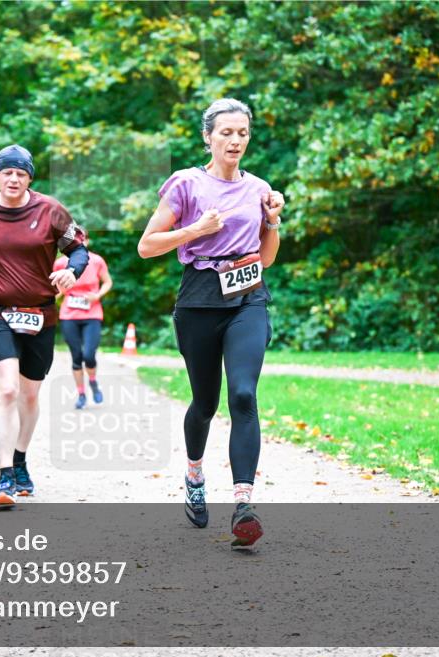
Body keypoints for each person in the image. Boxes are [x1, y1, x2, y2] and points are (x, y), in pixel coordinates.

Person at [137, 98, 285, 547]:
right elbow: (147, 245)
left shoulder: (259, 188)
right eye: (226, 133)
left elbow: (267, 258)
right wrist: (195, 231)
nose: (235, 140)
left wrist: (273, 222)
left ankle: (244, 504)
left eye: (242, 133)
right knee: (205, 403)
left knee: (242, 393)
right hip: (199, 301)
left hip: (247, 299)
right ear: (208, 137)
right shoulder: (186, 184)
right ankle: (195, 474)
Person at [0, 144, 88, 508]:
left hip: (41, 313)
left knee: (29, 394)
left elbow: (79, 248)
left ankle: (21, 457)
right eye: (7, 172)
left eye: (21, 173)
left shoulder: (50, 210)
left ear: (29, 178)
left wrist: (72, 270)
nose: (13, 179)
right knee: (8, 390)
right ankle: (4, 476)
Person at [53, 236, 112, 409]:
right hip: (69, 315)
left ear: (87, 240)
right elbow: (55, 289)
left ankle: (92, 382)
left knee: (89, 355)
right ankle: (81, 394)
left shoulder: (96, 260)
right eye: (76, 239)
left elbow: (108, 282)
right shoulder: (60, 263)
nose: (80, 241)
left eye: (83, 238)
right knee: (77, 357)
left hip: (92, 314)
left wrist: (98, 295)